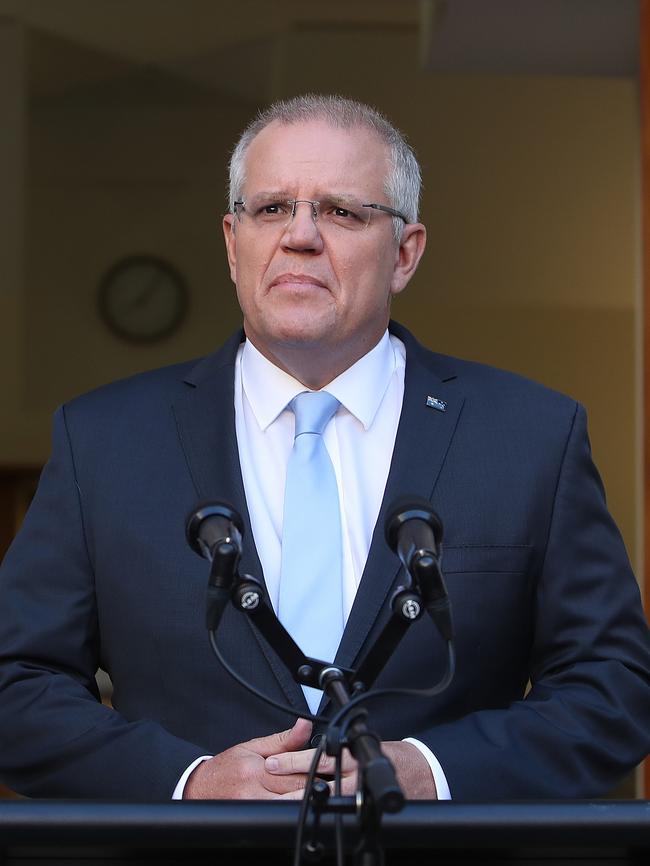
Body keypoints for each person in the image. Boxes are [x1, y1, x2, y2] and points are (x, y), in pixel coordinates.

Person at [0, 94, 648, 802]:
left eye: (342, 211)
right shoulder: (104, 441)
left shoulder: (530, 438)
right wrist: (188, 784)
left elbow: (611, 689)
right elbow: (16, 686)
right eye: (272, 209)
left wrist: (430, 772)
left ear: (405, 253)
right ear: (231, 242)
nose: (300, 236)